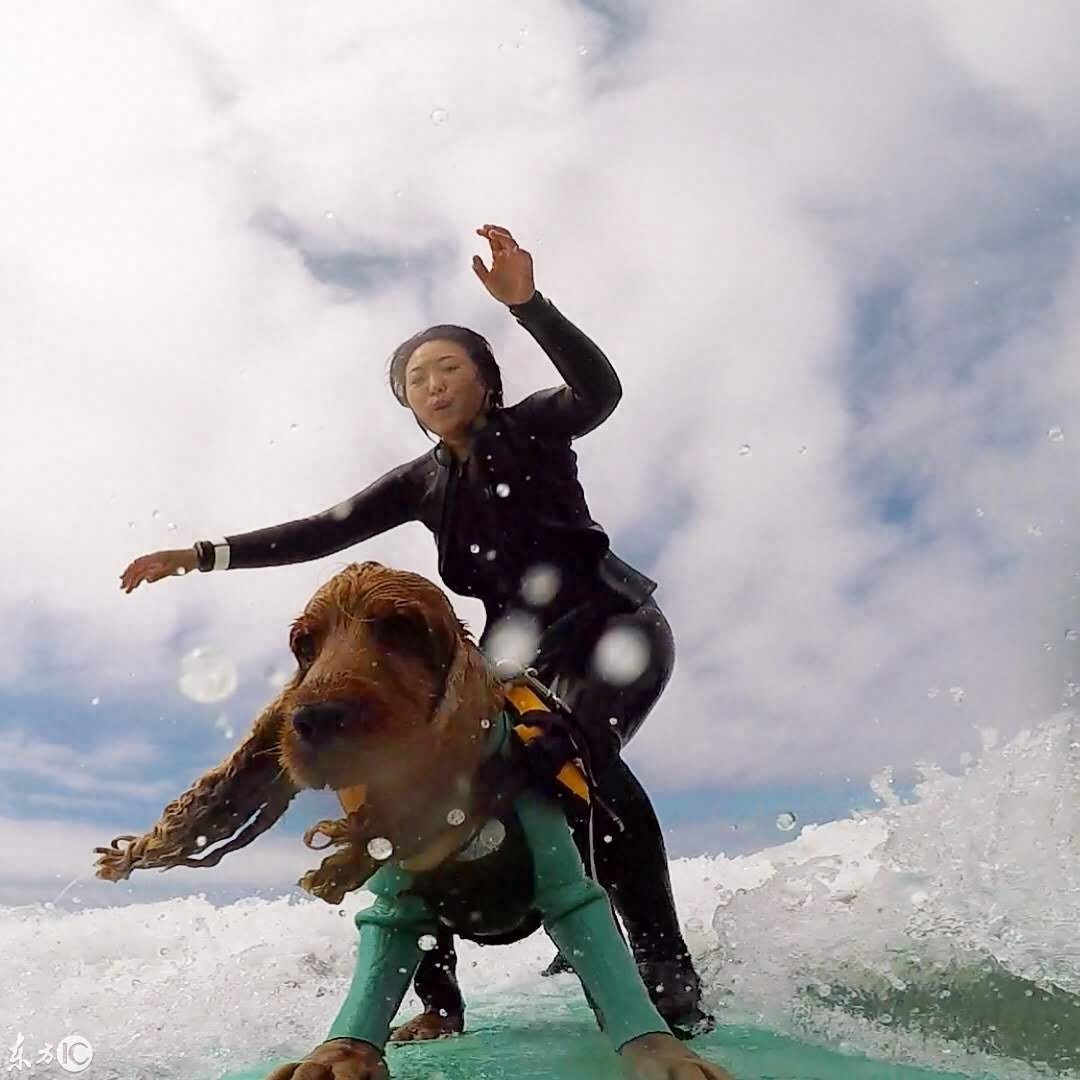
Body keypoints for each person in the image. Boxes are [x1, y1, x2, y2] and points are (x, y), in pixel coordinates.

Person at [120, 223, 711, 1039]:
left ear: (487, 381)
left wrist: (529, 305)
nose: (432, 385)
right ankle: (449, 997)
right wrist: (199, 554)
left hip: (614, 627)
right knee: (432, 780)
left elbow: (599, 394)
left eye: (449, 368)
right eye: (415, 378)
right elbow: (321, 531)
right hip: (518, 658)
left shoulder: (535, 427)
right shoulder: (420, 482)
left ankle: (665, 968)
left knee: (580, 757)